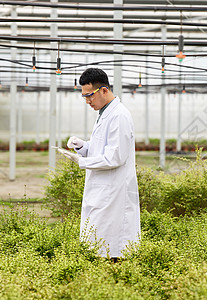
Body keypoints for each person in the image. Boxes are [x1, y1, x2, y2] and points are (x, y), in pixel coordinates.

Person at [60, 68, 140, 260]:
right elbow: (103, 150)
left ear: (104, 90)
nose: (87, 101)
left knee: (110, 247)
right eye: (84, 97)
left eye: (89, 96)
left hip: (113, 193)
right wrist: (83, 147)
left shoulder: (119, 116)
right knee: (98, 243)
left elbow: (115, 157)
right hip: (103, 191)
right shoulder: (105, 113)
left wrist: (82, 161)